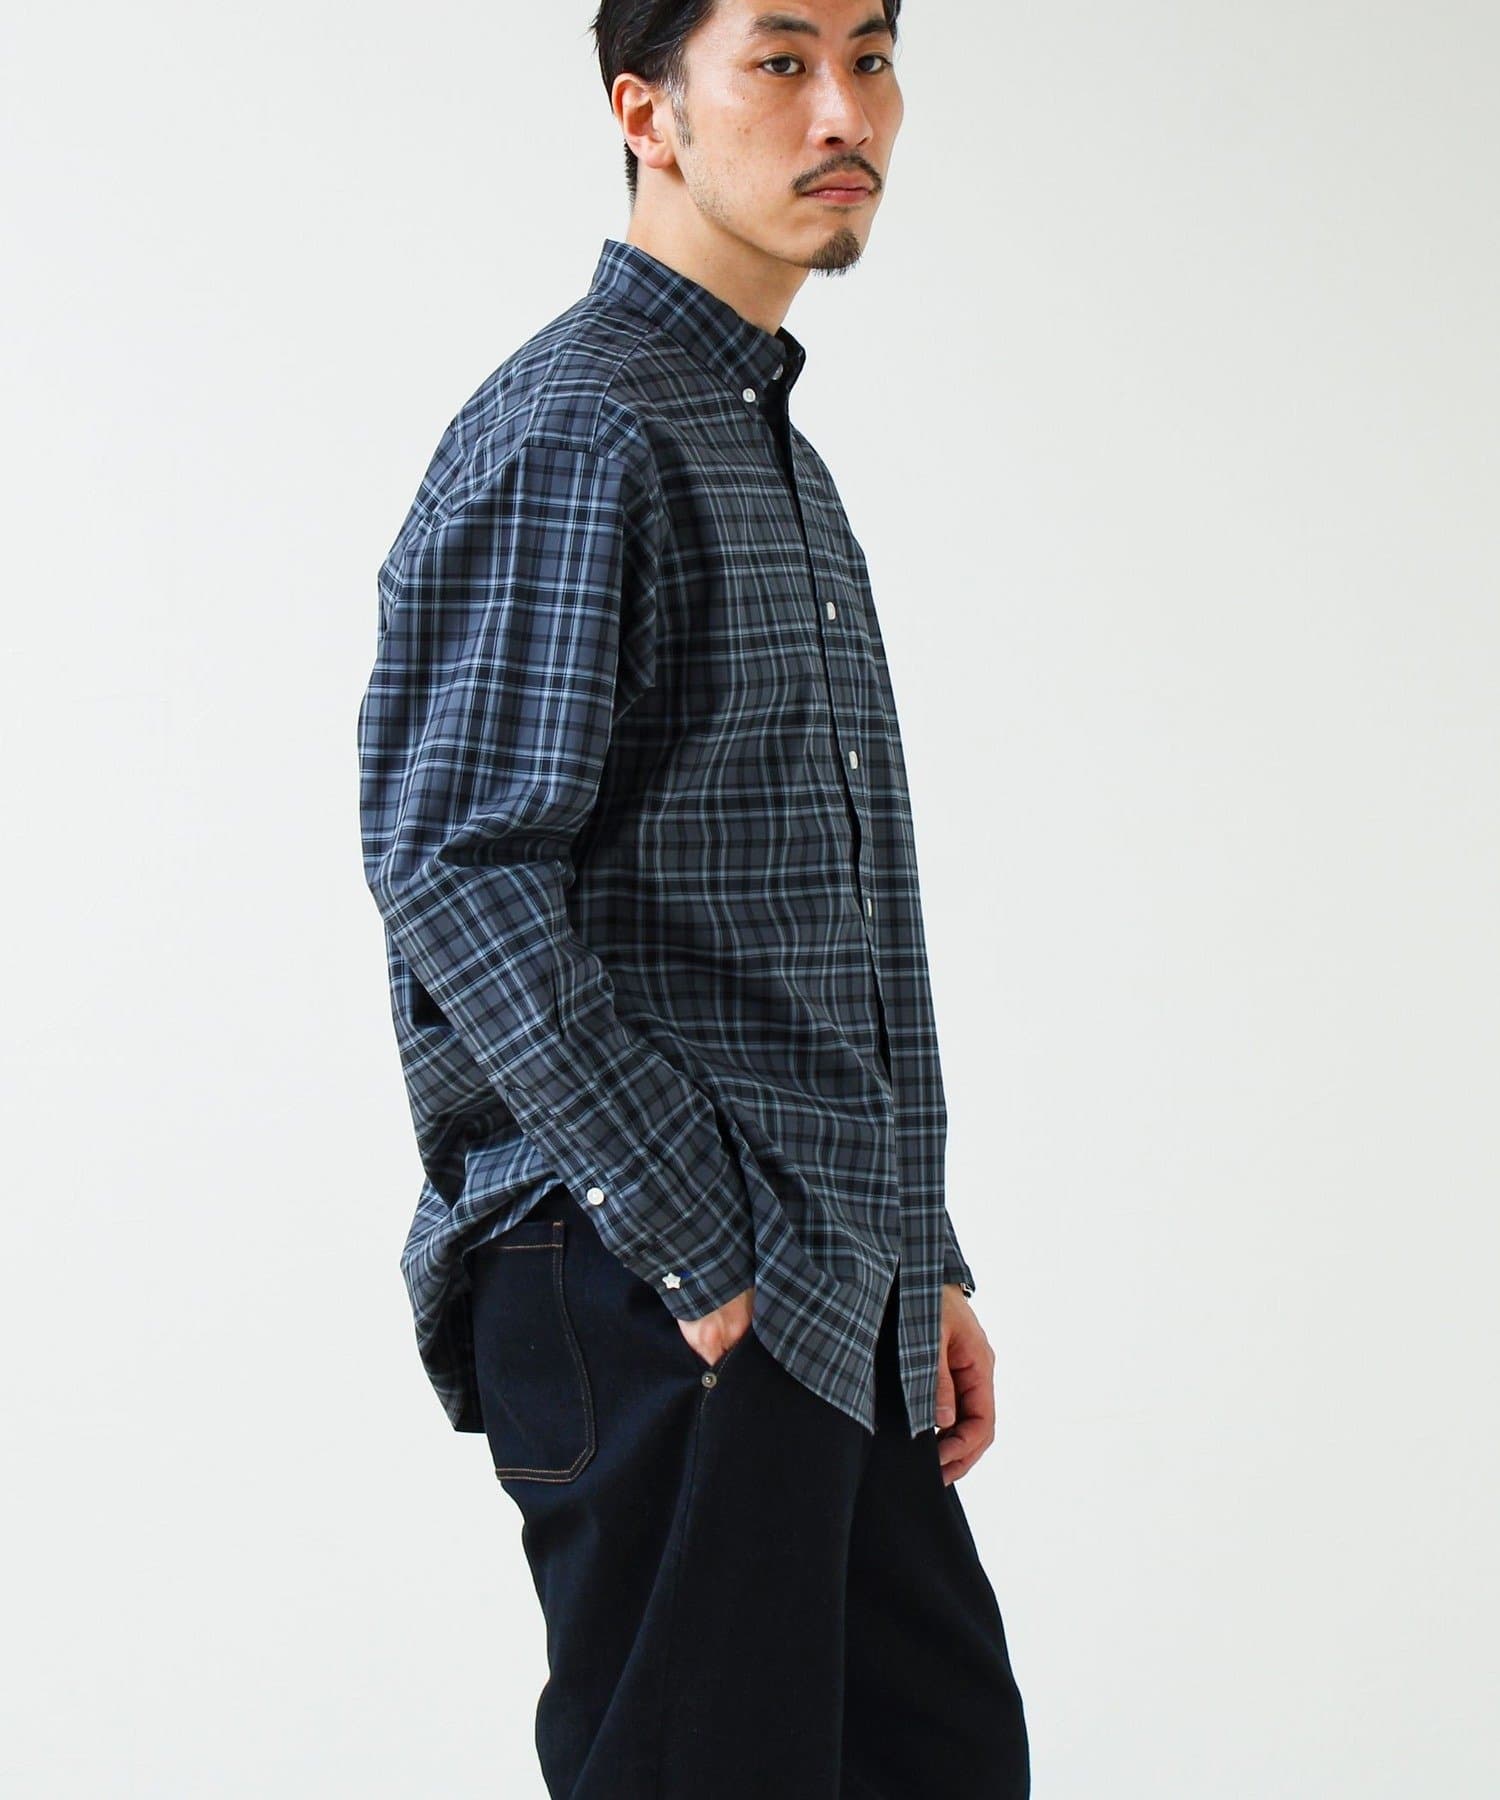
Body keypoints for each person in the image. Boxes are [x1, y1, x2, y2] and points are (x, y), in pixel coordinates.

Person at [355, 2, 1031, 1793]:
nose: (845, 111)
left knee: (941, 1759)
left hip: (819, 1275)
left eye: (872, 58)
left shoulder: (765, 448)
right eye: (782, 61)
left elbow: (812, 927)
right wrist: (700, 1247)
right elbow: (455, 865)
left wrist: (915, 1261)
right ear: (644, 112)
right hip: (659, 1280)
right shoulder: (584, 431)